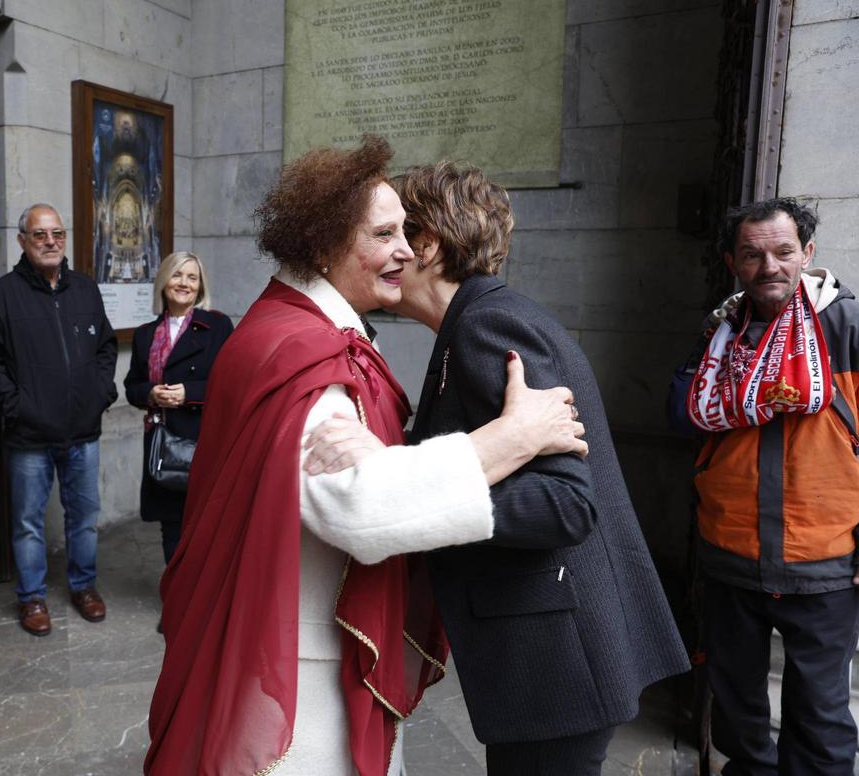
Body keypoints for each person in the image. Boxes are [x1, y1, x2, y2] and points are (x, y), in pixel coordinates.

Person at [145, 136, 588, 776]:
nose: (406, 252)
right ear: (325, 244)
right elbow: (360, 509)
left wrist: (387, 455)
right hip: (300, 670)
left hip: (279, 638)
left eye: (406, 232)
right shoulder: (311, 359)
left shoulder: (281, 327)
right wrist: (514, 437)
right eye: (384, 234)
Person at [307, 162, 689, 775]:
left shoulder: (489, 325)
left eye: (395, 235)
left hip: (559, 658)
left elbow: (566, 504)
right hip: (556, 651)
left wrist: (404, 473)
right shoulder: (474, 324)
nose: (390, 252)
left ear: (426, 245)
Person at [669, 197, 859, 776]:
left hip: (823, 558)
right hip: (730, 554)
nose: (769, 266)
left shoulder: (844, 326)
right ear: (732, 261)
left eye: (783, 252)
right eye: (752, 255)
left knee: (821, 717)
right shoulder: (723, 330)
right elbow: (681, 414)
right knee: (738, 710)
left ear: (807, 253)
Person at [0, 203, 118, 635]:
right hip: (29, 436)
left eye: (57, 233)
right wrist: (17, 408)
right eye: (40, 235)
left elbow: (106, 347)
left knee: (84, 517)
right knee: (28, 523)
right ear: (22, 241)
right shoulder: (3, 295)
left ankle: (84, 587)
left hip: (83, 433)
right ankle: (32, 598)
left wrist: (100, 393)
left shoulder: (86, 290)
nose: (50, 241)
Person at [124, 251, 233, 564]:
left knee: (206, 523)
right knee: (171, 526)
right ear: (163, 281)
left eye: (192, 277)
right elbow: (132, 387)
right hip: (164, 442)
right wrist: (152, 393)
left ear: (200, 288)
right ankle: (176, 601)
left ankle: (203, 599)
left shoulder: (217, 326)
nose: (183, 283)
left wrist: (190, 393)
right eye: (177, 275)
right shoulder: (146, 334)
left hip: (204, 440)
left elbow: (235, 384)